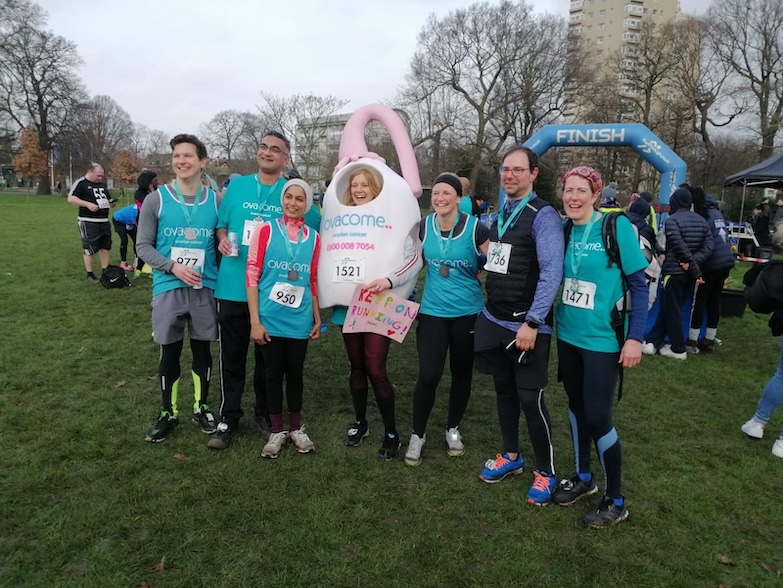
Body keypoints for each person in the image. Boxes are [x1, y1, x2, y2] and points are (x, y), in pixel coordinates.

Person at [208, 132, 321, 450]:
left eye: (276, 149)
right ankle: (228, 417)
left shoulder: (293, 193)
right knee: (231, 357)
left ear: (286, 158)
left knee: (265, 361)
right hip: (232, 286)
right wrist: (221, 238)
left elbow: (317, 230)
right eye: (263, 147)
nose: (268, 152)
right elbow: (221, 223)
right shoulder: (238, 187)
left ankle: (264, 414)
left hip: (272, 298)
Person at [551, 166, 648, 528]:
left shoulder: (616, 226)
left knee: (598, 416)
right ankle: (584, 478)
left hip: (603, 340)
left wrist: (636, 337)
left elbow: (639, 285)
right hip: (569, 335)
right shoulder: (563, 230)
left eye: (580, 191)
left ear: (594, 195)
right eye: (567, 191)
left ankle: (616, 499)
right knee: (576, 409)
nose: (573, 197)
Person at [474, 146, 564, 506]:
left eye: (517, 170)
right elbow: (503, 260)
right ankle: (511, 457)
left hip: (527, 326)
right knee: (504, 392)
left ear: (533, 174)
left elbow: (551, 272)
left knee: (531, 398)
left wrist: (532, 321)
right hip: (495, 318)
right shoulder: (503, 212)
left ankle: (546, 472)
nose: (509, 175)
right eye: (505, 169)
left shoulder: (543, 216)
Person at [136, 134, 220, 442]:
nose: (181, 161)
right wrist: (172, 266)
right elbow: (142, 247)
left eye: (188, 155)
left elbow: (223, 241)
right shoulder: (156, 200)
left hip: (204, 287)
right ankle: (167, 413)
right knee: (169, 351)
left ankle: (202, 407)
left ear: (202, 162)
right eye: (176, 156)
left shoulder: (215, 200)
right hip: (168, 285)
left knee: (202, 350)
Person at [335, 165, 422, 461]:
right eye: (354, 185)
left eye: (365, 185)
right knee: (356, 365)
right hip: (350, 302)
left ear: (375, 189)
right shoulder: (341, 220)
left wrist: (388, 280)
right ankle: (360, 422)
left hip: (382, 302)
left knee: (375, 368)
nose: (359, 190)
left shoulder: (392, 219)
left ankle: (391, 432)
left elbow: (414, 258)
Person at [404, 173, 490, 466]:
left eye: (446, 193)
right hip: (432, 313)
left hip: (468, 314)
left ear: (458, 197)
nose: (440, 198)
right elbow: (409, 261)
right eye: (436, 193)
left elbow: (500, 264)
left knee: (461, 374)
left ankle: (452, 428)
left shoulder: (477, 227)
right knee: (428, 374)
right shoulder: (424, 226)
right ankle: (418, 434)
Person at [246, 179, 322, 458]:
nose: (292, 203)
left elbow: (312, 280)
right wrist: (255, 320)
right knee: (272, 373)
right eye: (288, 197)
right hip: (270, 317)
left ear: (307, 203)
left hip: (299, 319)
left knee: (296, 374)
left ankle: (296, 428)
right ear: (282, 199)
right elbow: (251, 275)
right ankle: (276, 430)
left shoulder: (313, 238)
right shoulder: (265, 231)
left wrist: (316, 317)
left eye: (299, 199)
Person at [643, 187, 713, 360]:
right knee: (669, 308)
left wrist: (689, 264)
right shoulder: (702, 221)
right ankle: (652, 340)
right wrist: (694, 264)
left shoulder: (672, 221)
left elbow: (678, 246)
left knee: (671, 309)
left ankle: (678, 348)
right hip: (688, 274)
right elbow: (709, 246)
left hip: (674, 272)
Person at [686, 189, 735, 353]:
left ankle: (692, 340)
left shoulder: (702, 215)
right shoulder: (717, 214)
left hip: (712, 263)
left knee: (700, 300)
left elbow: (701, 241)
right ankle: (709, 339)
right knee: (714, 301)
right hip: (726, 261)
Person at [67, 163, 116, 282]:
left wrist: (110, 203)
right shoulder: (81, 183)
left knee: (106, 246)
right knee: (90, 247)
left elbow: (106, 198)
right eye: (98, 176)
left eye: (101, 176)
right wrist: (87, 204)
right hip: (88, 221)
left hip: (104, 220)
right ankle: (90, 273)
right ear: (90, 172)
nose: (100, 178)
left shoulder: (102, 185)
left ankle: (105, 270)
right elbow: (71, 198)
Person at [133, 171, 159, 277]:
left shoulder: (157, 192)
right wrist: (153, 191)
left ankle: (154, 269)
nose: (158, 182)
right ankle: (138, 270)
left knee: (157, 246)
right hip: (143, 222)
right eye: (155, 180)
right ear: (149, 182)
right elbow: (149, 206)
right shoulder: (139, 193)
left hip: (157, 221)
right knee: (146, 245)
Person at [111, 203, 140, 271]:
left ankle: (136, 262)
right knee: (124, 240)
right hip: (119, 220)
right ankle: (123, 263)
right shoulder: (138, 212)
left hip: (129, 221)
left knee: (137, 241)